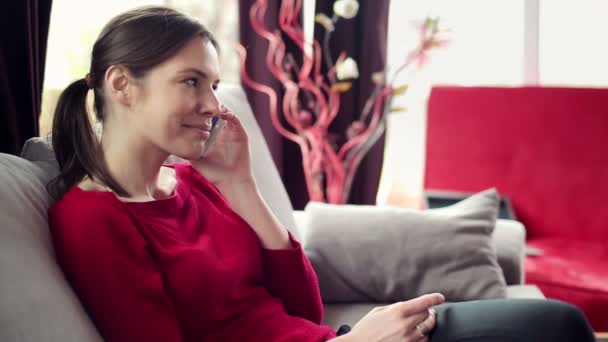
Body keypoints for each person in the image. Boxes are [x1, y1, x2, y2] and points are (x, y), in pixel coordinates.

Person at [47, 6, 595, 342]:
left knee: (560, 325)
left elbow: (302, 311)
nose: (213, 103)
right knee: (559, 329)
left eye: (214, 85)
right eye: (192, 81)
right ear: (121, 85)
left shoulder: (195, 183)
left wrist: (240, 183)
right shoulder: (91, 219)